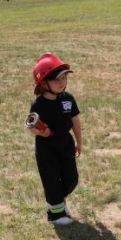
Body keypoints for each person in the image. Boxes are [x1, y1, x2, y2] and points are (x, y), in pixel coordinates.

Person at [29, 52, 83, 225]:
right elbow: (31, 124)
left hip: (65, 144)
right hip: (46, 148)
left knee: (71, 178)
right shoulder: (39, 104)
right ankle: (56, 214)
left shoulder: (68, 99)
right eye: (56, 79)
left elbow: (75, 120)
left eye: (64, 78)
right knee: (51, 178)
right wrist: (40, 132)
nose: (62, 82)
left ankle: (58, 201)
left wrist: (79, 141)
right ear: (44, 83)